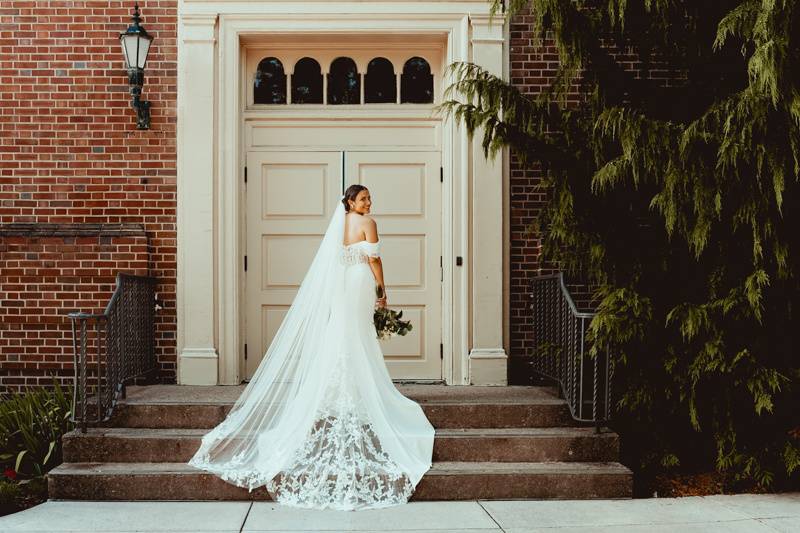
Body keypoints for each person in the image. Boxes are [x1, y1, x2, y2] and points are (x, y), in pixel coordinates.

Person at [187, 185, 435, 511]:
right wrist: (382, 291)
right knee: (356, 334)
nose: (369, 202)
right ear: (351, 201)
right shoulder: (368, 223)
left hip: (343, 283)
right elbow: (374, 259)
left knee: (343, 332)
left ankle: (338, 387)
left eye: (369, 198)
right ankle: (359, 388)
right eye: (363, 198)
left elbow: (335, 259)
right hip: (360, 280)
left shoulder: (340, 223)